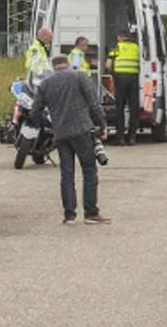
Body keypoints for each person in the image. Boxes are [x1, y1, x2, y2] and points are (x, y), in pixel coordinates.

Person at [31, 55, 111, 225]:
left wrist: (48, 126)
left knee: (66, 174)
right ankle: (91, 213)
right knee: (89, 170)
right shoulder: (79, 76)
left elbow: (35, 112)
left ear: (54, 67)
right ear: (67, 64)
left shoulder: (45, 84)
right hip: (82, 130)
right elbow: (93, 103)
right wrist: (103, 125)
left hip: (61, 134)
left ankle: (69, 215)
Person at [106, 29, 141, 146]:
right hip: (134, 79)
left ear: (120, 37)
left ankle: (120, 137)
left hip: (120, 80)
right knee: (133, 108)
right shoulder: (137, 47)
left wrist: (111, 74)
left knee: (119, 108)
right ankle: (132, 137)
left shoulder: (117, 46)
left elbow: (108, 65)